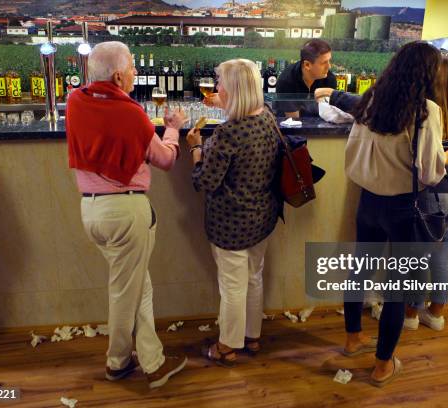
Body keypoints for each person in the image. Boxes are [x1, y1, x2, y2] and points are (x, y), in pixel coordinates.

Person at [66, 41, 188, 388]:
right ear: (119, 75)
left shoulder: (75, 101)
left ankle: (153, 359)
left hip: (90, 211)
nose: (136, 73)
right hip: (125, 212)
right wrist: (173, 128)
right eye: (132, 67)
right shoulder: (131, 112)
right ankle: (118, 363)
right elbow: (165, 159)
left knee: (137, 288)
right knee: (125, 292)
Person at [340, 41, 448, 387]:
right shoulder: (426, 111)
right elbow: (430, 172)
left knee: (360, 271)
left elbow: (353, 152)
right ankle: (382, 365)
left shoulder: (372, 100)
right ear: (428, 73)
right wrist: (444, 163)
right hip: (406, 207)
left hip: (369, 202)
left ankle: (353, 339)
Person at [187, 59, 281, 367]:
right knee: (254, 277)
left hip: (231, 223)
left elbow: (205, 181)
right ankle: (251, 337)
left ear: (234, 90)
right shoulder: (267, 117)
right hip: (262, 218)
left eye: (220, 85)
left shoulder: (229, 132)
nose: (216, 89)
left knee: (232, 287)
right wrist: (222, 103)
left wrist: (195, 150)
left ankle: (226, 346)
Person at [403, 57, 448, 331]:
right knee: (442, 256)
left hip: (434, 196)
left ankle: (410, 316)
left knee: (419, 258)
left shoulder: (426, 114)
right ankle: (437, 314)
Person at [275, 39, 337, 118]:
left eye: (329, 61)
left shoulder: (329, 79)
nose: (329, 66)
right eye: (324, 63)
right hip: (289, 125)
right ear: (307, 65)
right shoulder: (287, 81)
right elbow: (293, 122)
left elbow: (330, 115)